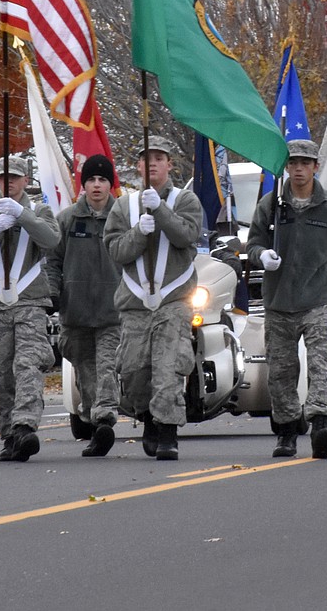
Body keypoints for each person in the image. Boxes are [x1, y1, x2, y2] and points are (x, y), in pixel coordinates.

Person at [246, 138, 327, 459]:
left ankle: (320, 424)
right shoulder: (271, 205)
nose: (298, 169)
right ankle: (286, 431)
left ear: (315, 167)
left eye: (305, 163)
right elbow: (252, 243)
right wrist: (261, 255)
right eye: (293, 163)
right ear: (287, 167)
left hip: (317, 300)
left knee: (319, 362)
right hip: (279, 302)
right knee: (282, 370)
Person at [104, 136, 203, 461]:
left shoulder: (185, 200)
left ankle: (167, 433)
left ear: (170, 164)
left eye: (160, 158)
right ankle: (147, 415)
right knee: (134, 372)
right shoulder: (123, 206)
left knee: (168, 368)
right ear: (138, 166)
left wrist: (160, 210)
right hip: (135, 303)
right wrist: (137, 233)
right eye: (147, 159)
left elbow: (186, 237)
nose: (153, 164)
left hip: (174, 301)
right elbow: (116, 251)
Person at [0, 155, 60, 463]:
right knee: (3, 371)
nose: (9, 182)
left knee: (28, 364)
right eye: (4, 177)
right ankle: (9, 434)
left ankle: (25, 425)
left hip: (30, 300)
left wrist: (22, 216)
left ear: (25, 181)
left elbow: (52, 240)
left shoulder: (39, 211)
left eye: (15, 177)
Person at [47, 154, 122, 456]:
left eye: (102, 179)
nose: (96, 185)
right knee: (85, 371)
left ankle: (105, 418)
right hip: (75, 313)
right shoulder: (67, 220)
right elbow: (53, 261)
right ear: (84, 184)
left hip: (112, 311)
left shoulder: (123, 217)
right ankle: (94, 421)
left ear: (110, 184)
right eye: (91, 179)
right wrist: (52, 294)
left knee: (106, 367)